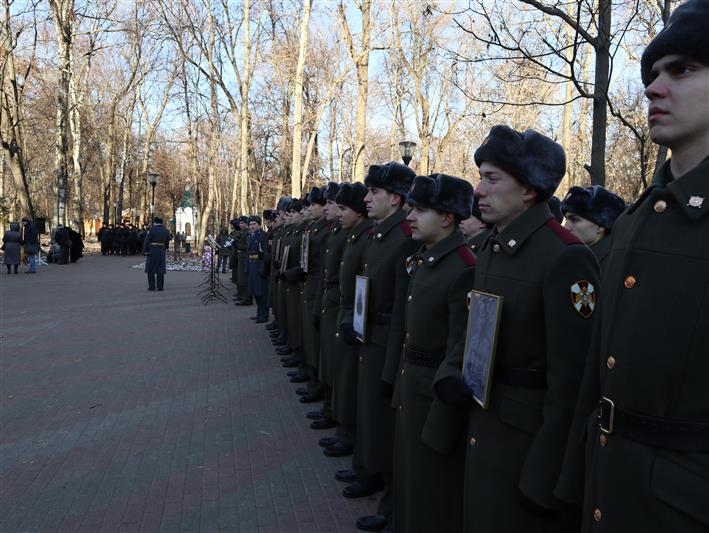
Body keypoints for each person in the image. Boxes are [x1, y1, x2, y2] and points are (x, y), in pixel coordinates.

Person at [556, 2, 709, 531]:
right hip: (610, 491)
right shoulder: (639, 217)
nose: (652, 87)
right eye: (652, 73)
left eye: (683, 69)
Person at [434, 125, 600, 533]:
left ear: (528, 189)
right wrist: (451, 376)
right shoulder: (494, 246)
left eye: (492, 179)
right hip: (485, 424)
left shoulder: (564, 257)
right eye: (480, 177)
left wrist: (546, 477)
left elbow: (573, 383)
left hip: (523, 446)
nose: (478, 190)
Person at [390, 173, 476, 533]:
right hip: (414, 387)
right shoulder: (428, 259)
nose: (410, 216)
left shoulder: (464, 268)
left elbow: (460, 353)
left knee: (432, 492)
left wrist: (442, 423)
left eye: (420, 209)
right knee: (411, 482)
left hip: (434, 399)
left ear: (447, 217)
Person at [348, 162, 418, 533]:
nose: (366, 198)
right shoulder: (381, 233)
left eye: (374, 192)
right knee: (370, 415)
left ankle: (390, 502)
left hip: (388, 341)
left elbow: (402, 304)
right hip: (370, 335)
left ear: (395, 197)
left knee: (385, 424)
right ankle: (371, 471)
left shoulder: (406, 237)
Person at [561, 185, 625, 266]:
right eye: (566, 219)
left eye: (574, 220)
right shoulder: (583, 256)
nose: (566, 227)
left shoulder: (613, 263)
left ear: (601, 226)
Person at [246, 215, 269, 323]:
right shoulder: (249, 236)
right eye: (250, 224)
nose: (252, 226)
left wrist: (263, 268)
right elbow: (248, 254)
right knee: (256, 292)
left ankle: (264, 315)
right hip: (252, 267)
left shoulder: (263, 235)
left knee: (262, 293)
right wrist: (247, 268)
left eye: (254, 224)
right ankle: (259, 313)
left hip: (259, 266)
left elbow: (265, 253)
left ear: (259, 224)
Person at [143, 216, 170, 291]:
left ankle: (152, 286)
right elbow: (167, 241)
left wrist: (145, 251)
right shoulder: (166, 230)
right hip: (161, 251)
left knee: (150, 269)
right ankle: (160, 286)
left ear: (155, 222)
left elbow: (146, 241)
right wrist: (166, 248)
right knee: (160, 269)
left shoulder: (151, 230)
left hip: (152, 250)